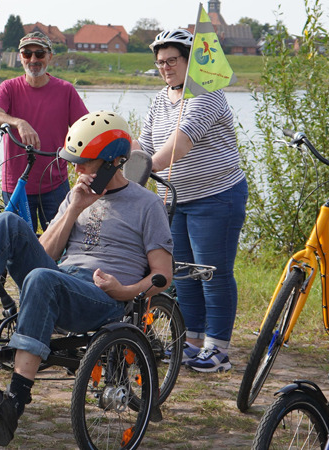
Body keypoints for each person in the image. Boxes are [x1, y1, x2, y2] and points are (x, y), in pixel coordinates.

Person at [0, 111, 173, 446]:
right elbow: (44, 249)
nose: (76, 170)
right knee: (7, 223)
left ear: (113, 162)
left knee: (44, 278)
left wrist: (123, 290)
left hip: (103, 297)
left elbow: (163, 274)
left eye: (84, 163)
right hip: (60, 278)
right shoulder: (77, 195)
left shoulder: (147, 205)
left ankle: (14, 401)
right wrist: (74, 208)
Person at [136, 29, 247, 372]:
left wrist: (147, 168)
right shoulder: (159, 99)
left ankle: (218, 349)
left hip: (216, 196)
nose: (165, 67)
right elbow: (144, 145)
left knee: (212, 273)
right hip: (173, 200)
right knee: (183, 274)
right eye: (160, 62)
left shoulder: (207, 93)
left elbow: (180, 144)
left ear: (189, 60)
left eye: (172, 60)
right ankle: (192, 340)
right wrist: (124, 168)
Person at [0, 31, 90, 230]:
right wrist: (18, 122)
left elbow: (85, 129)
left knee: (62, 243)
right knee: (19, 248)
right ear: (20, 57)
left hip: (55, 182)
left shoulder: (65, 90)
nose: (33, 59)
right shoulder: (9, 88)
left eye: (40, 54)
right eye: (27, 54)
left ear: (50, 56)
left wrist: (85, 164)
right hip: (17, 185)